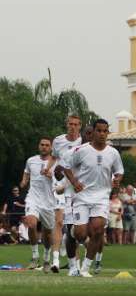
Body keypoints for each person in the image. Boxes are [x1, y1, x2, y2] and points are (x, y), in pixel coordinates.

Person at [63, 119, 124, 277]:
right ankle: (70, 232)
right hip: (82, 197)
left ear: (107, 133)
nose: (102, 134)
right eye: (99, 131)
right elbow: (66, 166)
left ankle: (85, 268)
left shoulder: (113, 153)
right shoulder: (81, 150)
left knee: (98, 230)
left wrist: (117, 179)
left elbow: (119, 171)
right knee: (81, 235)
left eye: (105, 131)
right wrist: (74, 181)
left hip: (102, 197)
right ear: (94, 132)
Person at [56, 125, 93, 276]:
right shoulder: (74, 152)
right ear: (82, 135)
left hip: (92, 198)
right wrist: (63, 183)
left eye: (93, 133)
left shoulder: (102, 153)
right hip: (73, 197)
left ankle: (86, 266)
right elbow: (61, 168)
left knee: (87, 233)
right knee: (74, 232)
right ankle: (73, 267)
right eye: (88, 133)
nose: (91, 136)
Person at [48, 115, 82, 273]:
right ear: (66, 125)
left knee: (74, 226)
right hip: (59, 184)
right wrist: (48, 169)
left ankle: (74, 262)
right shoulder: (58, 140)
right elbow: (53, 158)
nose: (73, 127)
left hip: (74, 186)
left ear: (80, 126)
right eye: (70, 124)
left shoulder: (83, 143)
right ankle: (55, 260)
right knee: (59, 221)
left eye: (76, 124)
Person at [20, 137, 56, 273]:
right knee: (31, 223)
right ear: (38, 146)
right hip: (33, 198)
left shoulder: (55, 162)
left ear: (51, 148)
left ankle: (47, 259)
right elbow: (26, 174)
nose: (44, 147)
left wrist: (50, 175)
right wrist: (23, 182)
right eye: (42, 144)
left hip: (49, 202)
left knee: (47, 234)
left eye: (47, 145)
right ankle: (35, 257)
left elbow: (60, 179)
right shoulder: (31, 160)